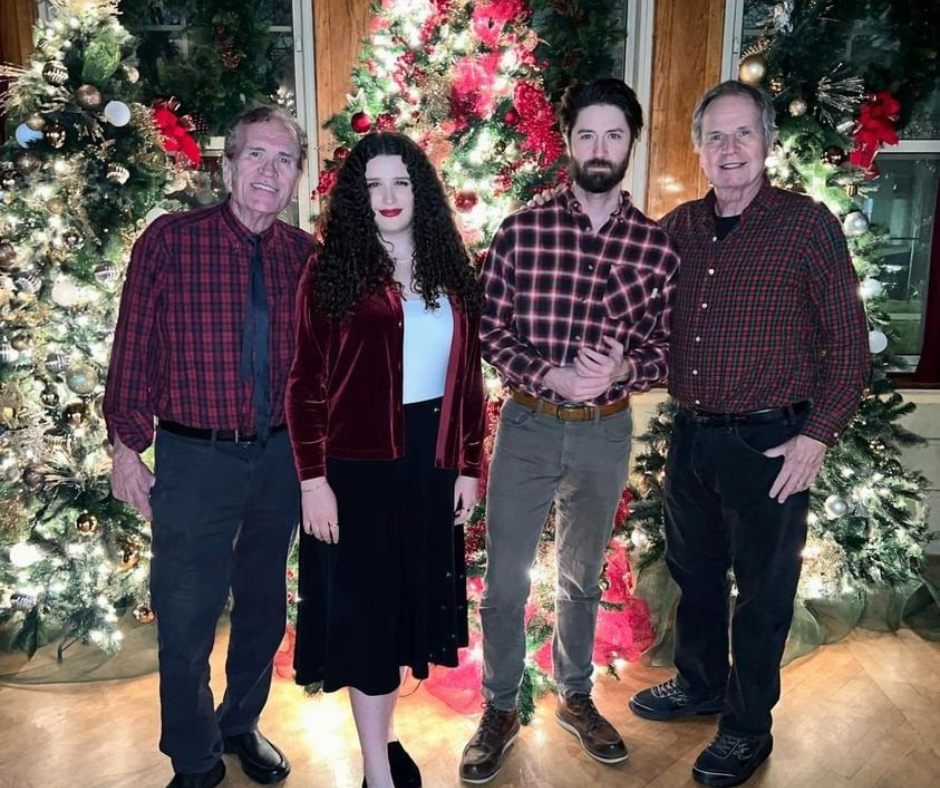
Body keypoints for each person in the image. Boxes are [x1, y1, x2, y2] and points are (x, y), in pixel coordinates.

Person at [628, 80, 870, 788]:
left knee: (763, 594)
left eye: (744, 135)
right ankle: (699, 685)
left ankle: (746, 727)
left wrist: (815, 437)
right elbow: (638, 319)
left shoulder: (806, 225)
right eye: (715, 137)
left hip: (771, 446)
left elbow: (850, 348)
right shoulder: (678, 229)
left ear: (767, 143)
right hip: (692, 438)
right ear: (698, 147)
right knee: (694, 578)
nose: (729, 149)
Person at [459, 78, 680, 784]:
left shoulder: (654, 248)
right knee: (504, 581)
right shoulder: (522, 231)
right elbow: (488, 328)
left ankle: (575, 695)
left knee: (583, 577)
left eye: (614, 135)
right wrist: (546, 373)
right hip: (528, 422)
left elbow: (666, 348)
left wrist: (622, 366)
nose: (600, 148)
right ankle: (498, 707)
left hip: (604, 433)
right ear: (568, 141)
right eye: (587, 134)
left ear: (629, 145)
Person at [104, 106, 312, 788]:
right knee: (186, 612)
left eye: (284, 161)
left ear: (295, 179)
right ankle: (193, 758)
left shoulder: (304, 257)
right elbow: (133, 349)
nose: (268, 172)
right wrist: (126, 448)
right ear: (226, 166)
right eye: (256, 156)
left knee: (263, 607)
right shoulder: (169, 242)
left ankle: (239, 723)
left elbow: (323, 366)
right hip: (195, 460)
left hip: (278, 458)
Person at [286, 131, 485, 788]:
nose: (389, 196)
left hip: (428, 466)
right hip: (357, 471)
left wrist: (466, 464)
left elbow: (468, 377)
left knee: (405, 611)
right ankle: (377, 772)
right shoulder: (331, 268)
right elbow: (304, 384)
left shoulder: (448, 265)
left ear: (419, 190)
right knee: (370, 622)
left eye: (401, 182)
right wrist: (313, 481)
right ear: (356, 197)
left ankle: (389, 737)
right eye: (374, 185)